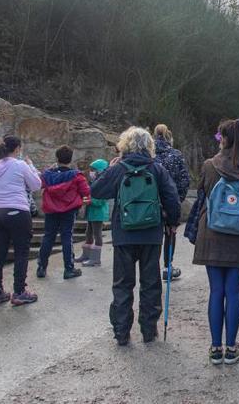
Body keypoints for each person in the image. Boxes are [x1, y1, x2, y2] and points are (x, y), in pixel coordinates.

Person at [90, 127, 181, 345]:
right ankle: (149, 331)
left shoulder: (119, 169)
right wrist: (172, 222)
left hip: (124, 234)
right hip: (151, 234)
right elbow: (172, 198)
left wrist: (107, 171)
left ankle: (122, 333)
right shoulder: (156, 168)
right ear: (149, 145)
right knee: (150, 283)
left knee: (122, 284)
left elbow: (96, 191)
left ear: (125, 145)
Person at [193, 120, 239, 365]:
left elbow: (202, 194)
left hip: (212, 235)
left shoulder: (209, 166)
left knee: (216, 291)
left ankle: (215, 348)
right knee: (233, 292)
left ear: (224, 139)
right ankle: (232, 349)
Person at [0, 136, 42, 306]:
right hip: (18, 211)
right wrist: (31, 165)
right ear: (17, 148)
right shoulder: (20, 164)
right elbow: (36, 185)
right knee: (21, 252)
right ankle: (19, 291)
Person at [37, 145, 90, 279]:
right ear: (71, 159)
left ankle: (41, 267)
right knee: (67, 237)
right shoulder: (77, 176)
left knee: (48, 237)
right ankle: (68, 269)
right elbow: (86, 192)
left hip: (51, 210)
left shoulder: (47, 175)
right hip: (69, 210)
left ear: (57, 158)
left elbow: (39, 184)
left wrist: (48, 170)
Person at [153, 124, 191, 280]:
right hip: (170, 200)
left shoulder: (149, 155)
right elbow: (184, 180)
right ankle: (168, 266)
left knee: (154, 236)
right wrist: (178, 199)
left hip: (151, 202)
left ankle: (152, 267)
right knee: (170, 233)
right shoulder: (176, 155)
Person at [76, 159, 110, 267]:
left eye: (93, 170)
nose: (91, 172)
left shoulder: (104, 183)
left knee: (97, 234)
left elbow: (102, 200)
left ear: (100, 171)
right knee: (88, 233)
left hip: (98, 213)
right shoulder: (94, 182)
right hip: (92, 212)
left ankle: (95, 259)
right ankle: (86, 255)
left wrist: (91, 201)